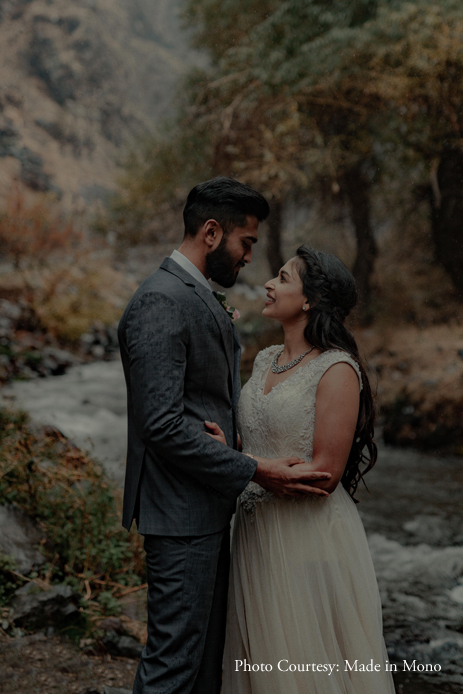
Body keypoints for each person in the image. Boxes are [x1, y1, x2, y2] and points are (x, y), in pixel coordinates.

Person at [117, 179, 332, 694]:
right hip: (180, 516)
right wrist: (256, 469)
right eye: (246, 243)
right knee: (173, 667)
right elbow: (162, 425)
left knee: (206, 668)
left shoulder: (193, 294)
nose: (248, 258)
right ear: (212, 233)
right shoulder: (162, 301)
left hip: (206, 509)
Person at [210, 246, 396, 693]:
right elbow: (257, 437)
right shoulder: (264, 359)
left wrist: (241, 464)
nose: (270, 285)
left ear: (309, 300)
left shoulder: (336, 369)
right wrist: (226, 448)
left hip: (306, 538)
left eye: (282, 278)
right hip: (254, 533)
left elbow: (324, 476)